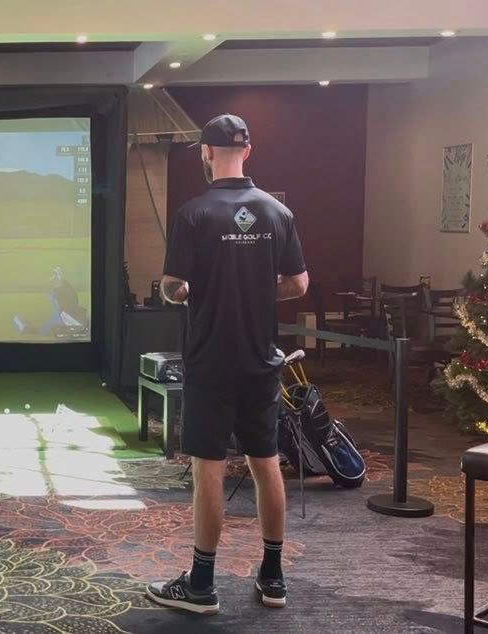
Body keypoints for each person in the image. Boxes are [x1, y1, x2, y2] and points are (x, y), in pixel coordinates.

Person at [146, 114, 308, 615]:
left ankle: (201, 584)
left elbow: (172, 287)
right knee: (265, 464)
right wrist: (259, 290)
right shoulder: (277, 213)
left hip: (211, 359)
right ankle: (274, 578)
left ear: (205, 152)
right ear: (249, 151)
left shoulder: (193, 214)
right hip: (261, 360)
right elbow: (299, 285)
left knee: (208, 467)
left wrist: (192, 291)